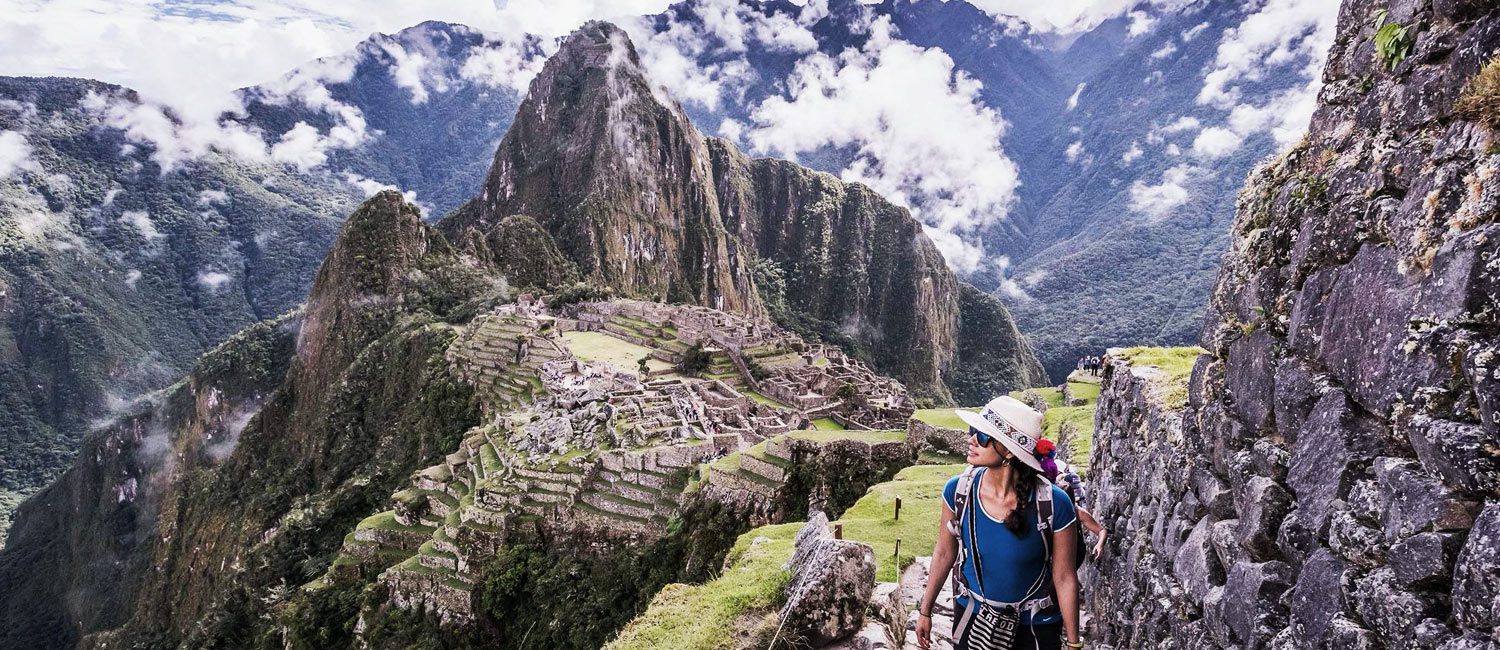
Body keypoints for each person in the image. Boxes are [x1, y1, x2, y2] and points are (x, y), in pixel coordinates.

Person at [915, 396, 1083, 650]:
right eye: (973, 432)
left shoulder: (1054, 503)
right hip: (973, 618)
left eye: (982, 437)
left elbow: (1065, 577)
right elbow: (943, 553)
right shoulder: (958, 491)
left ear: (1008, 451)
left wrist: (1073, 643)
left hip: (1035, 626)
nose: (971, 441)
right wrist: (925, 612)